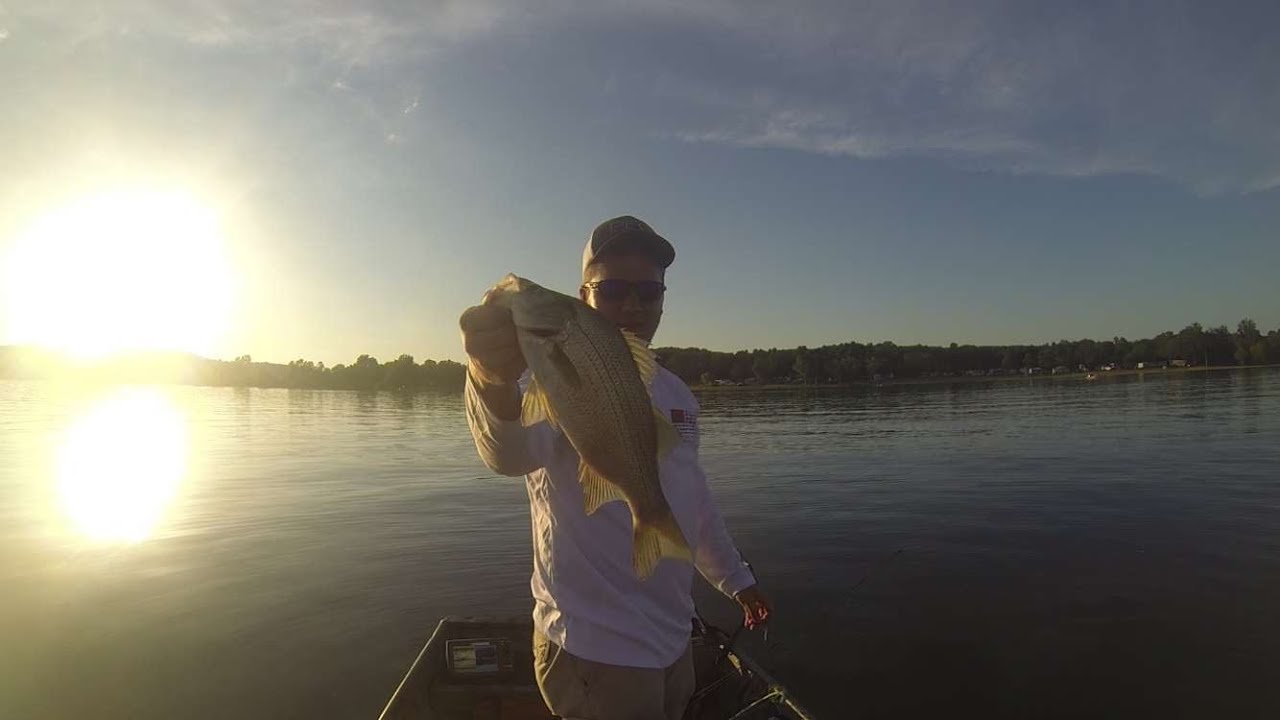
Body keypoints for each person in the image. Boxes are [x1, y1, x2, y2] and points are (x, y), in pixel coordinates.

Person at [459, 215, 771, 720]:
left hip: (672, 638)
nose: (633, 304)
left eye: (649, 292)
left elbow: (693, 498)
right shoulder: (537, 374)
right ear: (583, 296)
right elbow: (507, 454)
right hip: (595, 650)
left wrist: (735, 578)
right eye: (614, 290)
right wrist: (488, 377)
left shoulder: (676, 394)